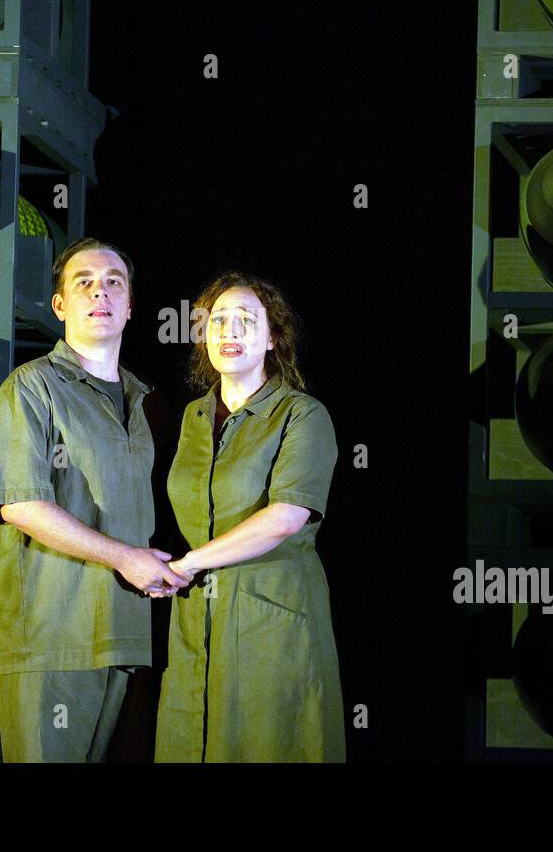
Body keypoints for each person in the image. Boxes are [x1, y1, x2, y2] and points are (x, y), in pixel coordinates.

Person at [0, 237, 189, 762]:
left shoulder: (147, 402)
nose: (101, 293)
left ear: (131, 306)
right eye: (85, 283)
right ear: (60, 305)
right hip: (53, 638)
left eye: (114, 283)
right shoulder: (30, 388)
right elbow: (19, 504)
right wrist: (123, 558)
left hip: (129, 636)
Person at [153, 271, 343, 762]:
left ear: (272, 337)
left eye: (245, 321)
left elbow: (285, 517)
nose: (229, 333)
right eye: (218, 321)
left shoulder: (303, 415)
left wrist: (185, 566)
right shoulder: (193, 417)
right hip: (196, 618)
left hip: (272, 622)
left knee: (269, 743)